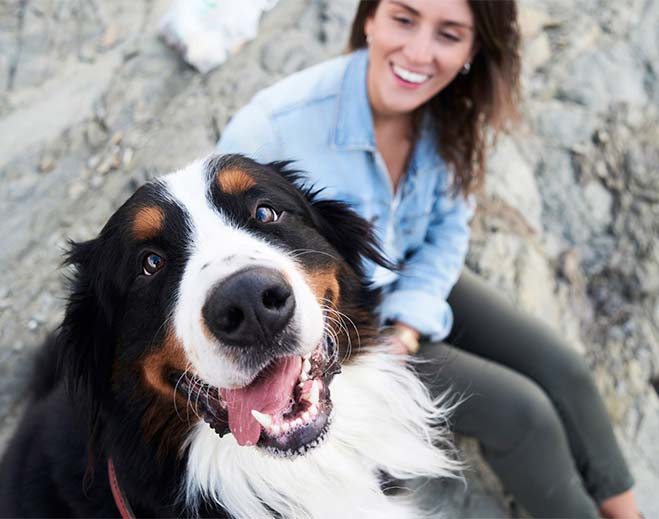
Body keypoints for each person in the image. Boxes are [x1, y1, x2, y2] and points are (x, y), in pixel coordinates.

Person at [216, 1, 641, 517]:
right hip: (336, 320)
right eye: (403, 18)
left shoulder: (452, 115)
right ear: (369, 18)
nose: (419, 52)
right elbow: (231, 256)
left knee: (564, 368)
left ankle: (628, 512)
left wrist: (413, 319)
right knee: (524, 415)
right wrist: (390, 339)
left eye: (449, 33)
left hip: (410, 276)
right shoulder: (273, 128)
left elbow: (448, 229)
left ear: (472, 49)